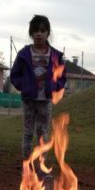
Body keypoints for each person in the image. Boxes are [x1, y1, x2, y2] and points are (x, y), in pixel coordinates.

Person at [10, 14, 66, 175]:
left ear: (48, 33)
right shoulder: (24, 54)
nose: (39, 34)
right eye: (35, 31)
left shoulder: (55, 56)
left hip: (45, 101)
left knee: (43, 134)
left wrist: (54, 88)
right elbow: (15, 75)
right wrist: (25, 86)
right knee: (28, 133)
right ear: (31, 34)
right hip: (29, 100)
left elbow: (62, 78)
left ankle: (41, 169)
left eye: (42, 30)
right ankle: (27, 168)